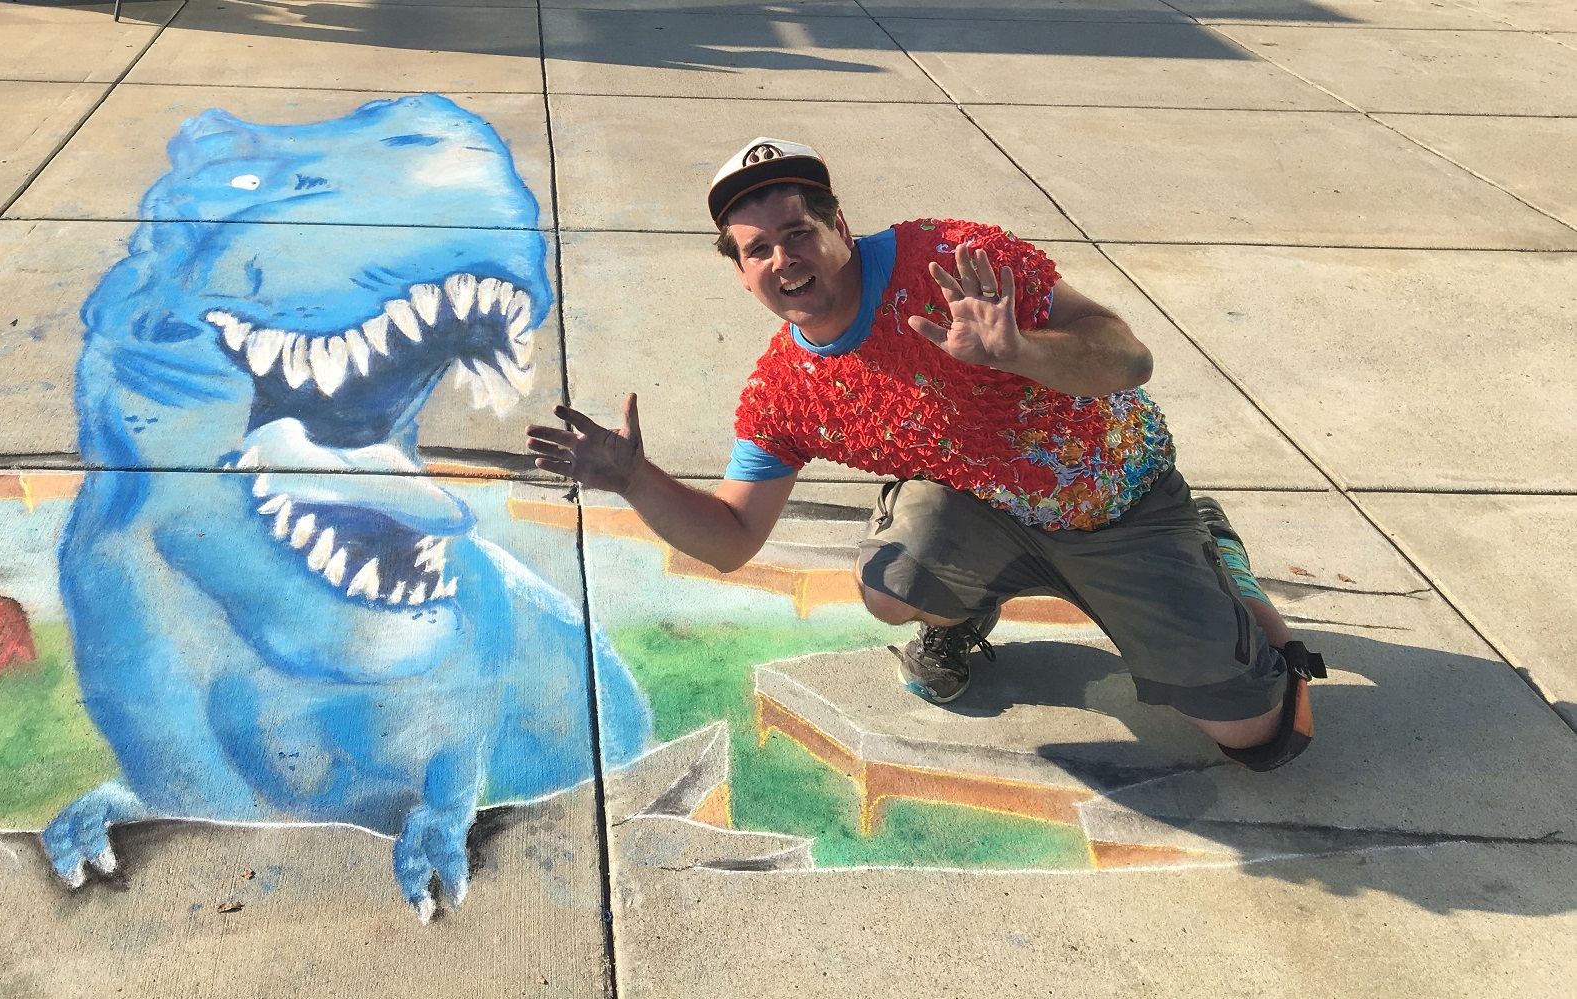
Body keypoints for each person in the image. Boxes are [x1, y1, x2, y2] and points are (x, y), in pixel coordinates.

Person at [524, 138, 1324, 771]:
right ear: (740, 273)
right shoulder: (784, 388)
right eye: (758, 248)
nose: (784, 259)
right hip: (983, 506)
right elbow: (732, 538)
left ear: (839, 227)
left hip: (1122, 503)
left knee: (1264, 738)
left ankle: (1215, 549)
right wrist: (635, 480)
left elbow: (1128, 358)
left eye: (798, 231)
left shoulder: (951, 261)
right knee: (891, 580)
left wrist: (1021, 353)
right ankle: (961, 613)